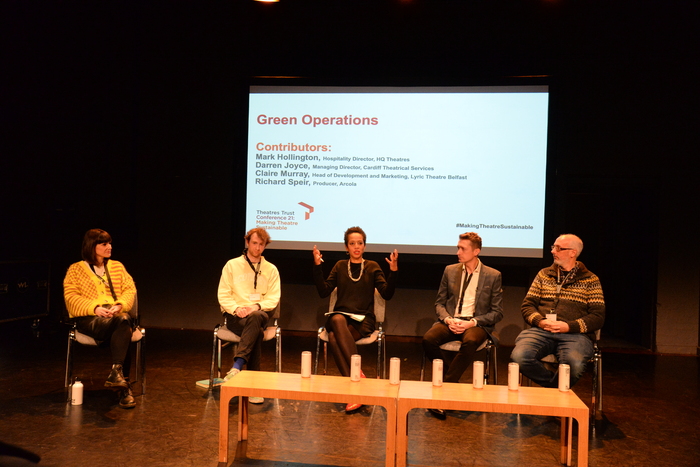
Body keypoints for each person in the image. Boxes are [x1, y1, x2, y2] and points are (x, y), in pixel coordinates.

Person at [313, 226, 398, 413]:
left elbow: (387, 294)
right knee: (336, 319)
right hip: (341, 318)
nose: (356, 247)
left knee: (334, 338)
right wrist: (318, 267)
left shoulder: (373, 266)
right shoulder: (340, 266)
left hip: (363, 320)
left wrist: (393, 272)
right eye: (352, 244)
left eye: (360, 243)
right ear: (346, 247)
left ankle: (354, 391)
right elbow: (323, 291)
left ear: (364, 246)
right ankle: (359, 379)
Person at [422, 232, 503, 418]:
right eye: (458, 247)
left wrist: (471, 323)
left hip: (475, 324)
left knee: (471, 341)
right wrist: (448, 319)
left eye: (462, 249)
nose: (458, 252)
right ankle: (452, 383)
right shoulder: (450, 270)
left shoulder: (492, 275)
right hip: (451, 319)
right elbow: (439, 303)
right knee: (428, 339)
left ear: (476, 251)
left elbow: (497, 312)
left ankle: (443, 393)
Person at [511, 234, 605, 389]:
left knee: (573, 364)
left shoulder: (590, 280)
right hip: (542, 330)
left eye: (559, 248)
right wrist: (541, 321)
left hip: (575, 335)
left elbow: (598, 317)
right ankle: (555, 390)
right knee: (519, 357)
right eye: (553, 247)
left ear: (572, 253)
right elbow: (527, 306)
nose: (553, 251)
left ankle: (554, 395)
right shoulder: (544, 274)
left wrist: (568, 326)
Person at [63, 229, 138, 409]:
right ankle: (123, 385)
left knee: (124, 321)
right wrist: (94, 308)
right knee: (125, 324)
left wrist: (119, 305)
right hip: (90, 319)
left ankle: (118, 376)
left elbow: (130, 289)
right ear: (92, 246)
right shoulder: (75, 269)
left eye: (110, 243)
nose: (109, 247)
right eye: (104, 244)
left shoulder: (117, 267)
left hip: (116, 317)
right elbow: (70, 297)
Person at [216, 228, 281, 403]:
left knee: (256, 317)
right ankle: (253, 386)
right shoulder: (232, 265)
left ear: (265, 246)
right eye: (254, 243)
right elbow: (223, 294)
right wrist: (237, 308)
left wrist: (256, 306)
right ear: (247, 242)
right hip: (236, 317)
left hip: (260, 314)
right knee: (257, 332)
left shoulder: (271, 269)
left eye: (261, 244)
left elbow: (274, 298)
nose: (257, 247)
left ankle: (237, 366)